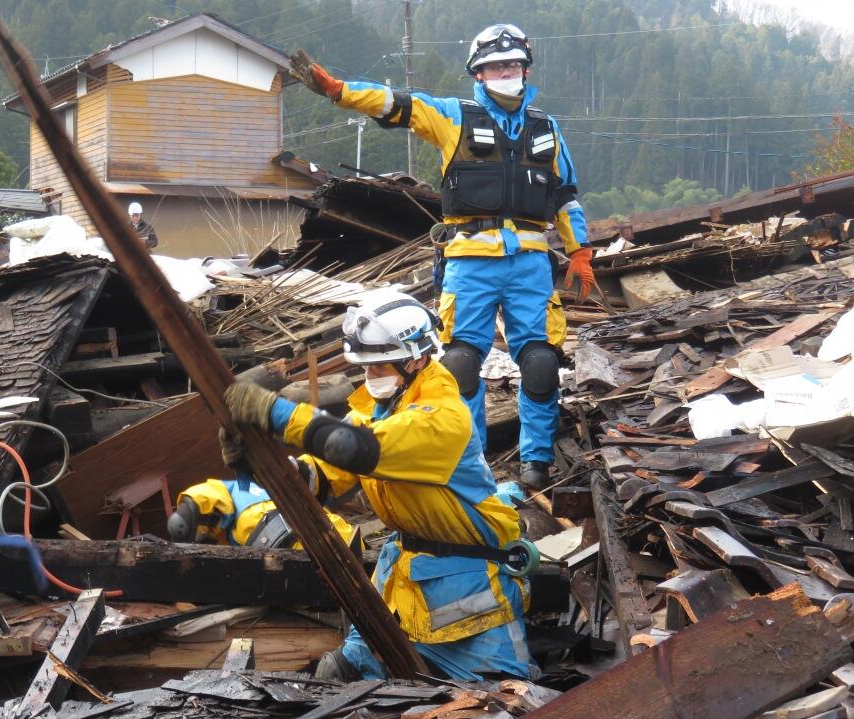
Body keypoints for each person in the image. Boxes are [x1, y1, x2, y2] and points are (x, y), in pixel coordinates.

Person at [289, 24, 595, 489]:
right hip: (469, 259)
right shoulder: (454, 117)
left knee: (540, 362)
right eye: (494, 66)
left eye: (511, 65)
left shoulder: (546, 129)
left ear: (525, 69)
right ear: (478, 73)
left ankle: (536, 461)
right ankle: (468, 459)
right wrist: (339, 92)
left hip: (530, 259)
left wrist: (581, 252)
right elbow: (397, 104)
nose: (504, 72)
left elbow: (565, 196)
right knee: (460, 362)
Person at [222, 292, 536, 682]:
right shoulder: (380, 408)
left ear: (416, 357)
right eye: (367, 368)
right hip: (402, 578)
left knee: (507, 696)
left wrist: (276, 413)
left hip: (470, 587)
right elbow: (325, 474)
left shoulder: (442, 417)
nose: (371, 377)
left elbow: (354, 448)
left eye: (379, 366)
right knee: (340, 673)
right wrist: (266, 466)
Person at [168, 475, 357, 550]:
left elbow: (188, 512)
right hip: (327, 527)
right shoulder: (255, 486)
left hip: (272, 530)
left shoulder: (218, 492)